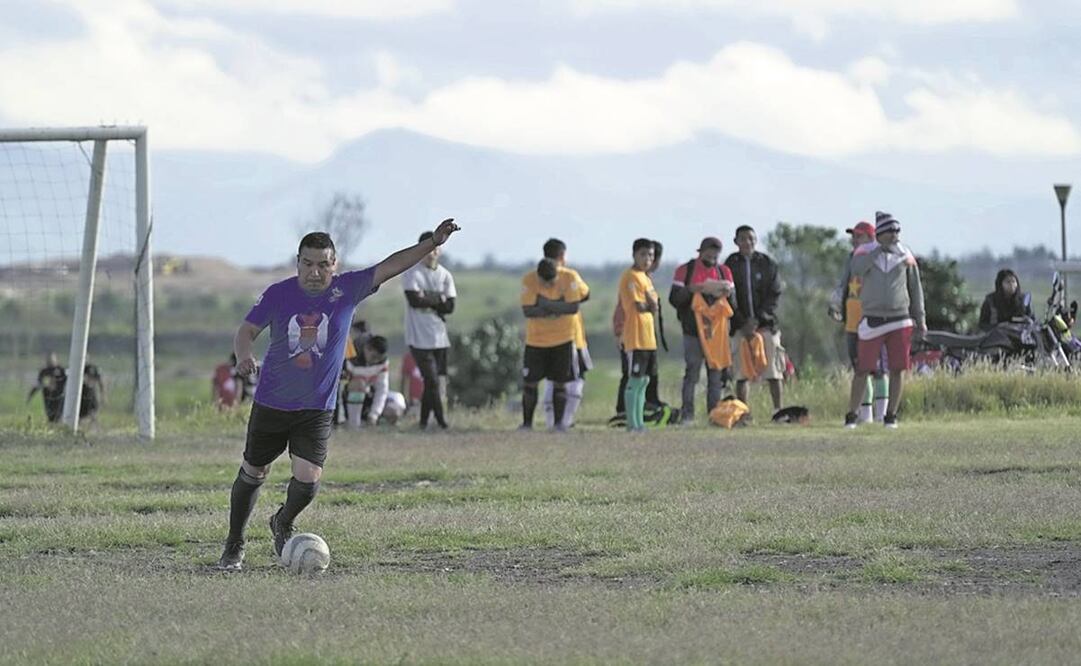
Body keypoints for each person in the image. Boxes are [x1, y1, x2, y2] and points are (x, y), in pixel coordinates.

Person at [217, 219, 461, 571]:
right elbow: (247, 330)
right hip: (272, 401)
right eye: (307, 263)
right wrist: (243, 357)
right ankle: (234, 543)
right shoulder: (278, 294)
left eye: (322, 264)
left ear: (335, 264)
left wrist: (432, 243)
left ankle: (282, 521)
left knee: (309, 478)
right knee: (254, 471)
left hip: (316, 406)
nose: (314, 272)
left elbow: (392, 265)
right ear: (298, 262)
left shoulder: (349, 288)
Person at [844, 211, 926, 429]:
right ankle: (852, 415)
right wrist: (878, 250)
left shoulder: (905, 255)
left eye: (897, 231)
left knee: (898, 368)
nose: (895, 236)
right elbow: (857, 270)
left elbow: (915, 289)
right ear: (880, 234)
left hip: (900, 318)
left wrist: (921, 319)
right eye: (890, 231)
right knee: (863, 369)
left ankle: (891, 416)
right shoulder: (865, 252)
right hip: (872, 319)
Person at [668, 236, 735, 423]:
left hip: (717, 333)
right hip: (693, 331)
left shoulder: (724, 272)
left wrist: (727, 293)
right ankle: (687, 415)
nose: (712, 255)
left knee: (716, 375)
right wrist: (693, 289)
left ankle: (714, 415)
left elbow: (734, 305)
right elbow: (674, 299)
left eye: (716, 251)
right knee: (692, 374)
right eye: (709, 250)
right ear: (701, 251)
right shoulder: (685, 270)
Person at [520, 257, 590, 431]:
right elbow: (528, 310)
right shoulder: (529, 280)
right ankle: (527, 424)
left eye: (552, 282)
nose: (549, 285)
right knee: (530, 383)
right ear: (538, 276)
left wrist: (544, 304)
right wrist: (560, 304)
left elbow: (573, 307)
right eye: (545, 282)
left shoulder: (568, 277)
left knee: (560, 383)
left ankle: (559, 424)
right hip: (536, 341)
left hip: (563, 340)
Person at [830, 221, 889, 423]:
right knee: (860, 368)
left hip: (873, 320)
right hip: (852, 321)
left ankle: (883, 414)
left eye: (859, 236)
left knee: (879, 369)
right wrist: (837, 305)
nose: (854, 240)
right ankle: (866, 415)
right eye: (853, 236)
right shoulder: (851, 258)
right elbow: (843, 284)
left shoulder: (880, 259)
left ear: (872, 238)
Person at [725, 225, 784, 411]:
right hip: (739, 326)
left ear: (756, 240)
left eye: (750, 238)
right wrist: (743, 323)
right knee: (741, 373)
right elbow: (728, 296)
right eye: (742, 239)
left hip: (765, 325)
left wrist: (758, 319)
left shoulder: (767, 263)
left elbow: (774, 294)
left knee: (773, 371)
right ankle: (743, 412)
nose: (747, 242)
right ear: (736, 242)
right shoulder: (730, 264)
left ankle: (778, 411)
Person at [402, 232, 457, 430]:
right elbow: (415, 301)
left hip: (439, 337)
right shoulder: (412, 273)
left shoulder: (445, 275)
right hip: (418, 337)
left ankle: (424, 422)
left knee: (433, 381)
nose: (432, 253)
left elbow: (450, 306)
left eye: (435, 248)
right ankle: (441, 421)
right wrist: (438, 299)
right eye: (428, 249)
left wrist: (429, 298)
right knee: (432, 379)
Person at [541, 239, 591, 430]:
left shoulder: (536, 276)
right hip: (572, 336)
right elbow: (585, 294)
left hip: (545, 338)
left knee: (551, 381)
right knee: (575, 381)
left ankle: (550, 421)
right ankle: (565, 421)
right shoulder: (570, 275)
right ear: (563, 256)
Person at [614, 239, 663, 415]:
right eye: (643, 254)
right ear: (634, 255)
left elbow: (654, 305)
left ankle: (640, 418)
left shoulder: (646, 278)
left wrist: (651, 304)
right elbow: (640, 305)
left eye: (650, 255)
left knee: (644, 381)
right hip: (634, 337)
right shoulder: (631, 276)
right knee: (633, 380)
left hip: (648, 338)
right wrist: (650, 304)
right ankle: (629, 417)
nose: (647, 259)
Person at [343, 335, 406, 428]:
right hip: (347, 398)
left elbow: (382, 390)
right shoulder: (350, 355)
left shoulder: (382, 363)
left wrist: (374, 414)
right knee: (359, 383)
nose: (376, 361)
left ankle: (371, 422)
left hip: (369, 397)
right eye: (374, 357)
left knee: (394, 411)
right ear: (367, 349)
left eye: (379, 358)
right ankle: (353, 424)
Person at [27, 352, 66, 423]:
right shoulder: (44, 371)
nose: (50, 361)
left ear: (56, 359)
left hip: (59, 397)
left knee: (59, 416)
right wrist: (30, 395)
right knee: (50, 417)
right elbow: (38, 384)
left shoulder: (61, 370)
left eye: (52, 359)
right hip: (48, 398)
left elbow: (66, 383)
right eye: (49, 359)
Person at [399, 349, 425, 414]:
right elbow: (404, 380)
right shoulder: (409, 357)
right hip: (413, 400)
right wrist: (404, 399)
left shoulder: (431, 355)